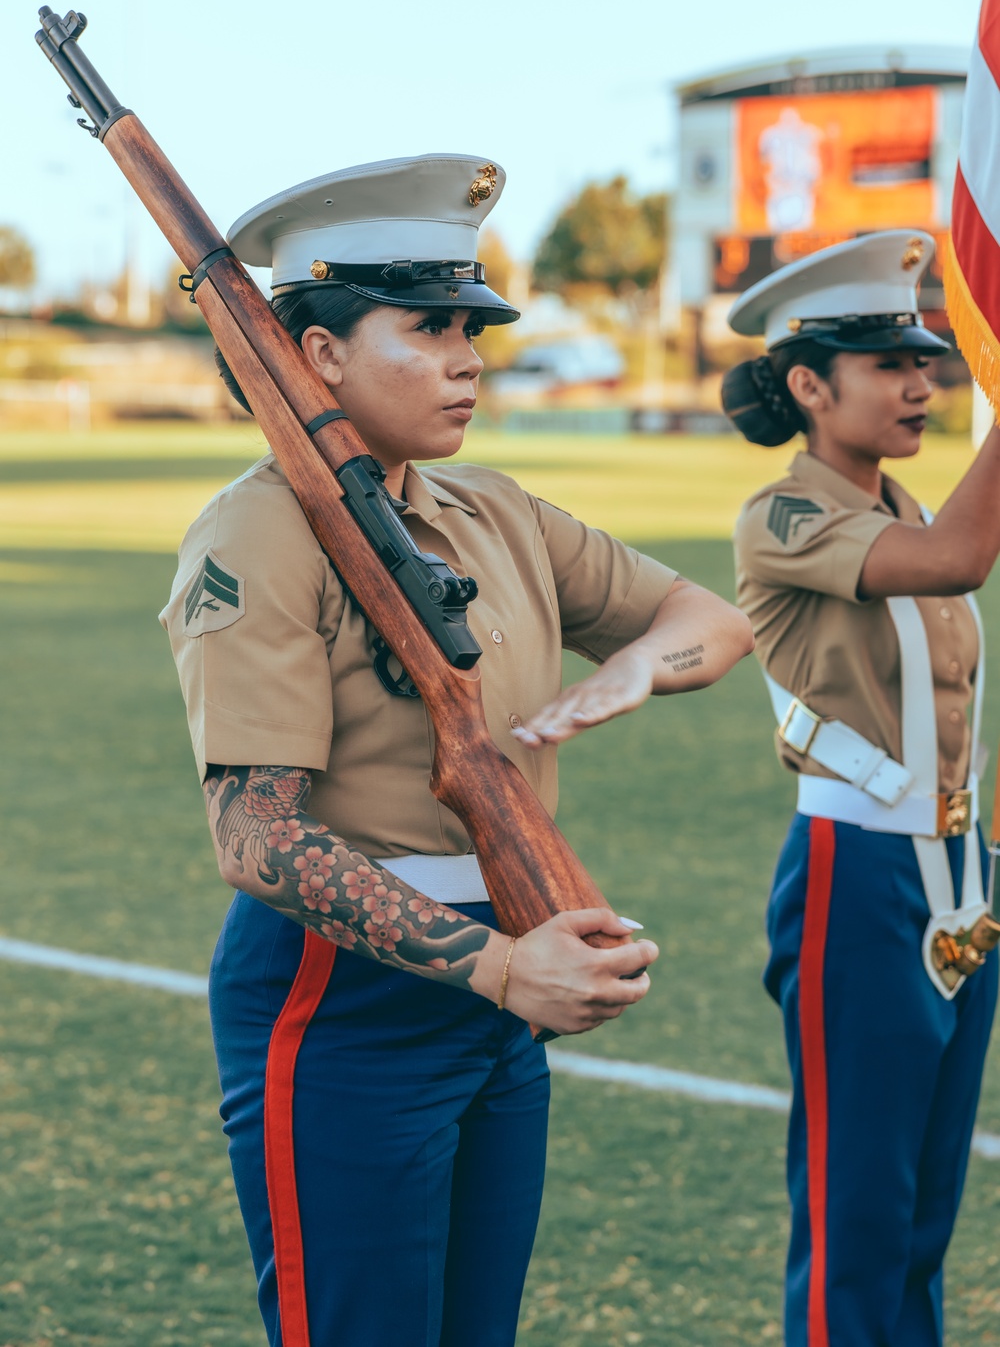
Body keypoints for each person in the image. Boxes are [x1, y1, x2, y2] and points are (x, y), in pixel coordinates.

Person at [160, 153, 754, 1347]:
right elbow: (255, 834)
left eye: (471, 326)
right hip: (346, 997)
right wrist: (494, 968)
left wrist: (636, 664)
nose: (469, 356)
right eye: (426, 327)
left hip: (509, 969)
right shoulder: (257, 531)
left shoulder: (492, 510)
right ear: (316, 352)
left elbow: (713, 618)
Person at [721, 229, 1000, 1347]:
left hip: (961, 869)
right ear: (807, 383)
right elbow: (958, 571)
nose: (921, 383)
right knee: (858, 1209)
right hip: (858, 870)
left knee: (928, 1204)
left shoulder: (907, 510)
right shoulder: (782, 515)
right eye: (889, 363)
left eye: (926, 359)